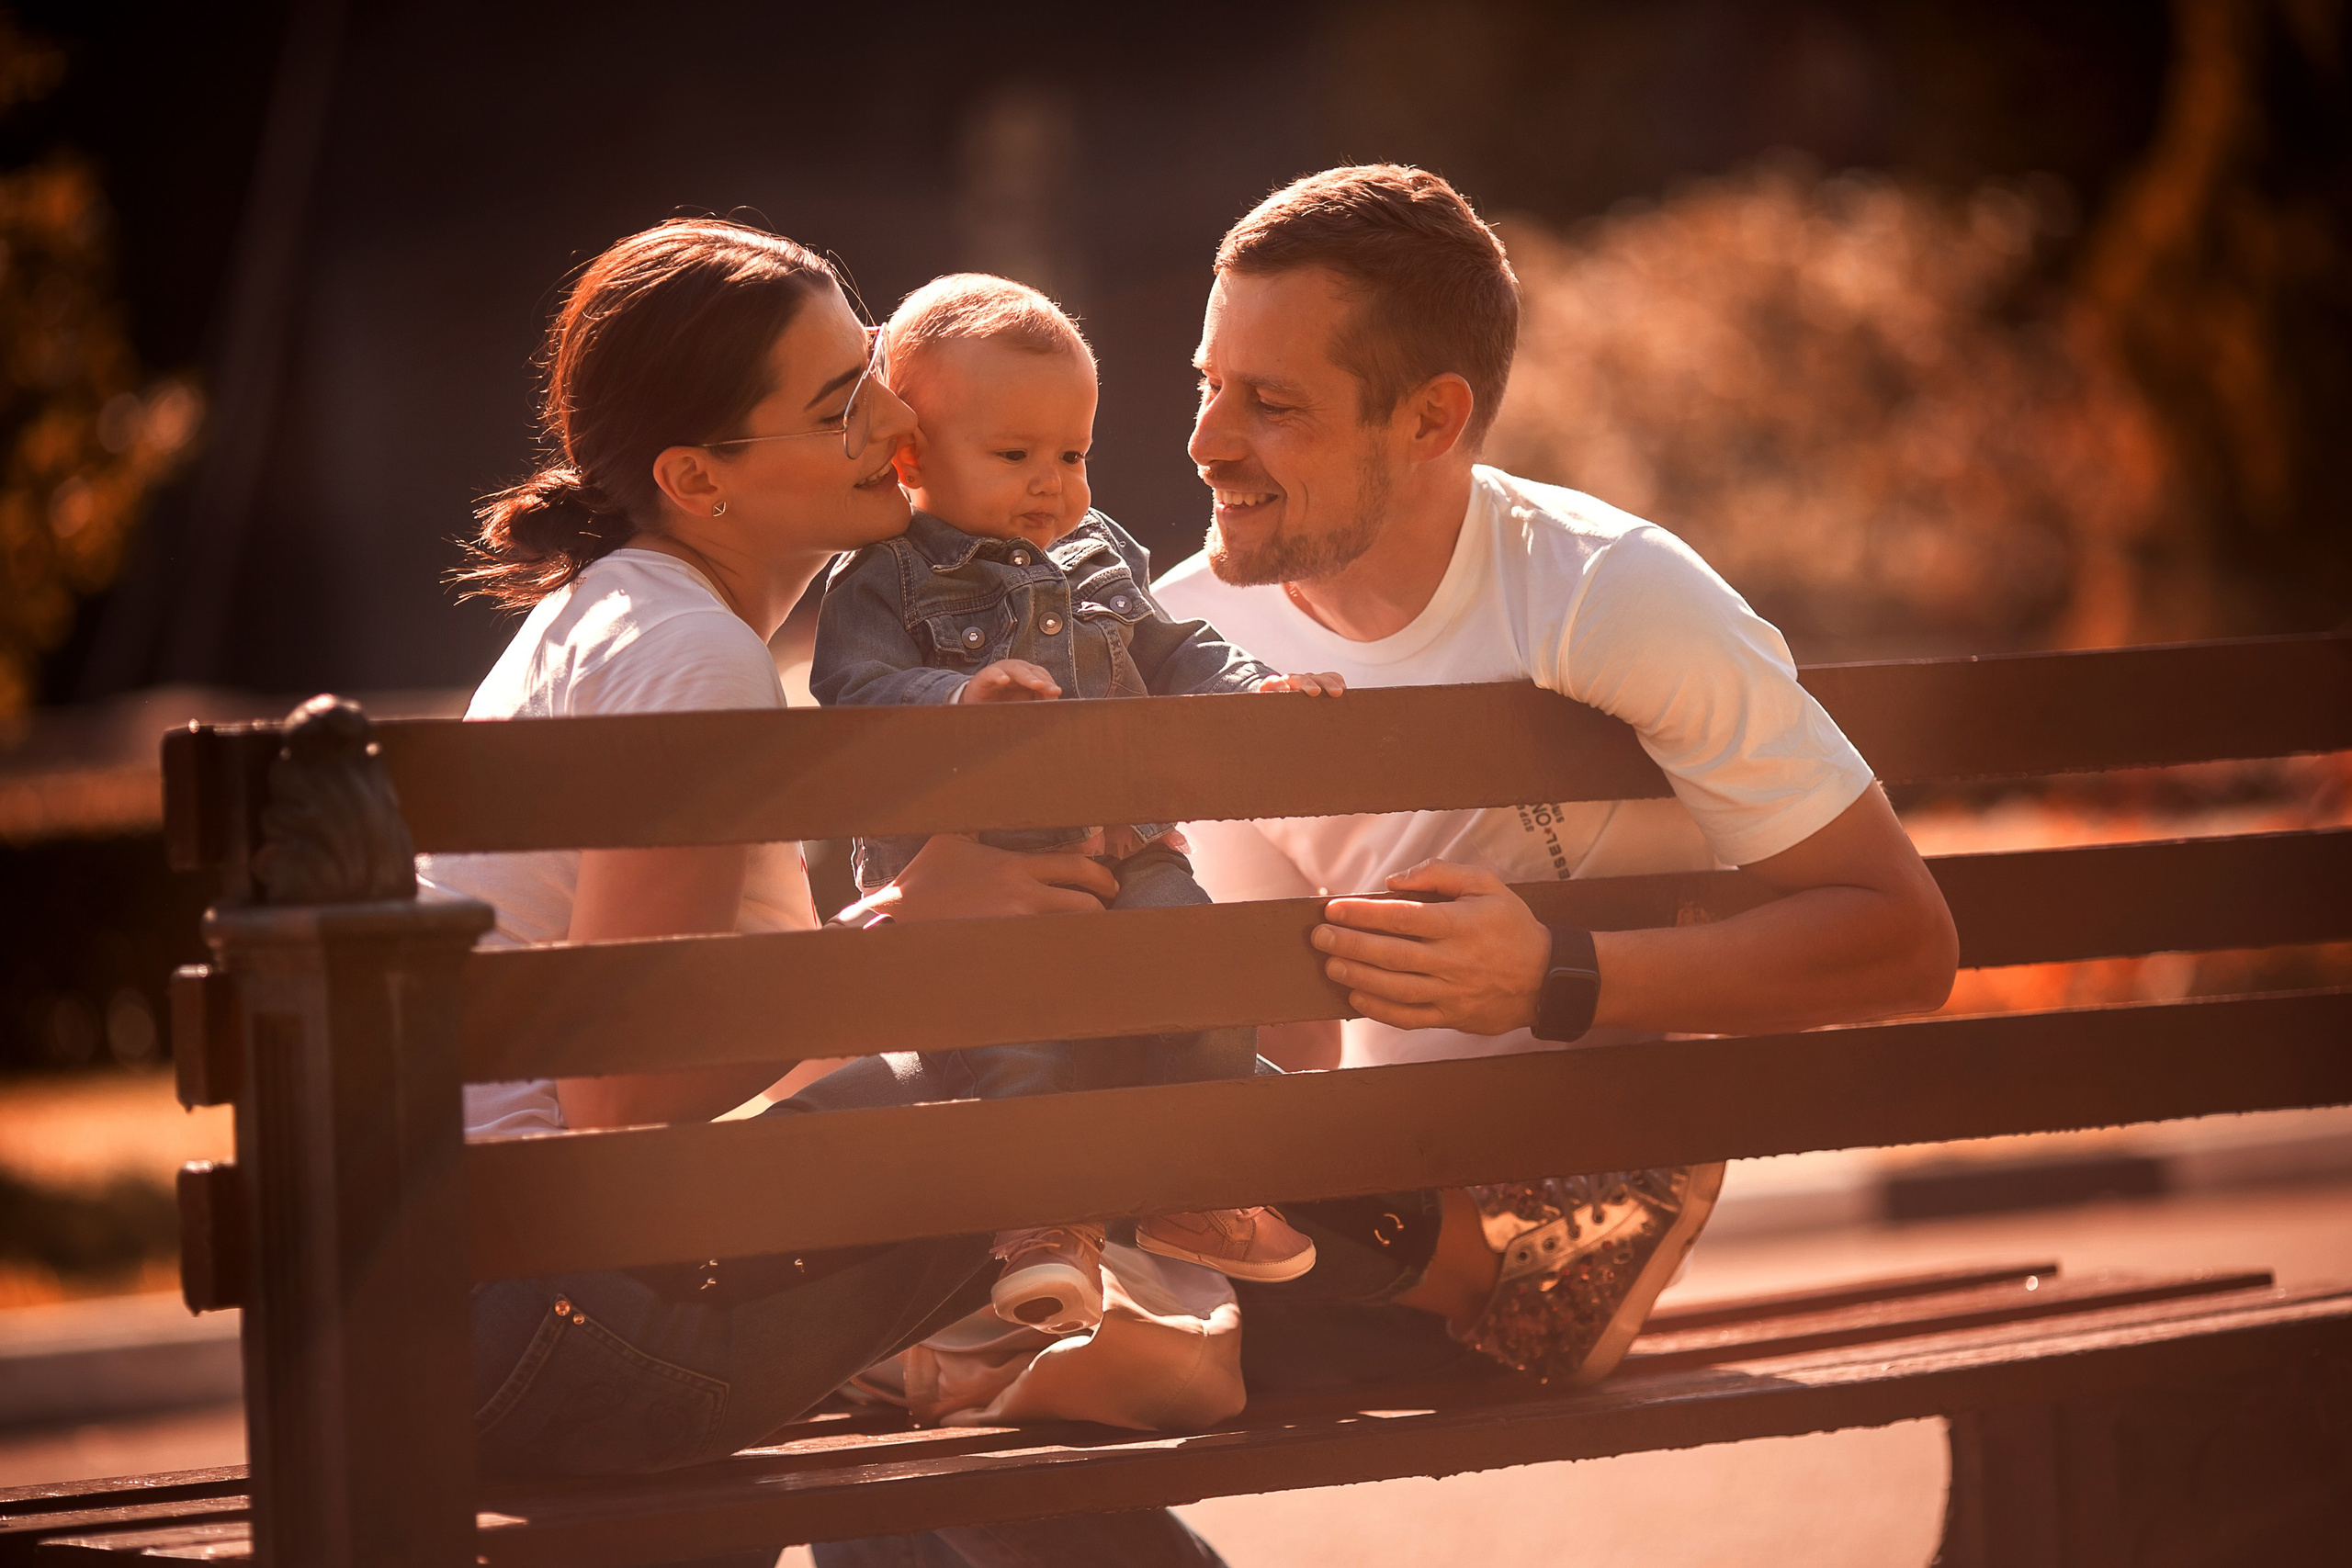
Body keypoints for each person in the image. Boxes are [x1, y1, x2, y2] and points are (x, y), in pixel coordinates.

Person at [419, 218, 1227, 1568]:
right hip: (568, 1321)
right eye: (838, 401)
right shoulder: (691, 659)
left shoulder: (629, 615)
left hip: (490, 1312)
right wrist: (905, 933)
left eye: (875, 371)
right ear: (698, 476)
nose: (895, 414)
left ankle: (996, 1377)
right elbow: (613, 1101)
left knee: (995, 1115)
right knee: (1054, 1064)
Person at [1147, 165, 1961, 1399]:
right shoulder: (1189, 634)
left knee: (1049, 1355)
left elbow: (1905, 938)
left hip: (1540, 1250)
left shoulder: (1603, 593)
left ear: (1429, 420)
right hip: (1344, 1225)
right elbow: (1293, 1040)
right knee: (1032, 1348)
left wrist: (1553, 972)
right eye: (1208, 385)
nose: (1205, 442)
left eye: (1272, 404)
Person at [811, 274, 1331, 1333]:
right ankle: (1045, 1226)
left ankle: (1196, 1188)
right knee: (1015, 1041)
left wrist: (1253, 690)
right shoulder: (883, 577)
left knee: (1203, 967)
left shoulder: (1101, 552)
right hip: (971, 883)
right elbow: (849, 694)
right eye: (1015, 457)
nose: (1052, 485)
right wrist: (954, 695)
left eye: (1073, 454)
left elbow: (1174, 648)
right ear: (910, 456)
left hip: (1126, 850)